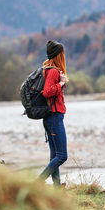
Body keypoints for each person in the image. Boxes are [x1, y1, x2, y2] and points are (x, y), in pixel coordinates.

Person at [38, 40, 69, 187]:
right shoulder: (53, 71)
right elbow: (47, 92)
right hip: (54, 117)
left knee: (55, 155)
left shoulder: (50, 69)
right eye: (62, 53)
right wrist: (61, 83)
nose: (64, 55)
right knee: (62, 156)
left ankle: (57, 188)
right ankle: (37, 182)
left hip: (52, 117)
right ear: (58, 55)